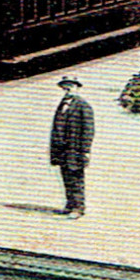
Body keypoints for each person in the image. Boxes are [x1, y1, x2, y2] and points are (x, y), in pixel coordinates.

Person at [48, 76, 95, 218]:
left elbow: (88, 130)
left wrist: (85, 151)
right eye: (65, 86)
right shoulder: (62, 104)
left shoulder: (83, 106)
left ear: (77, 87)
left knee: (76, 177)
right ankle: (70, 205)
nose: (68, 88)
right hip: (62, 150)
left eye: (71, 86)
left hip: (75, 149)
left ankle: (79, 208)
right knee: (66, 177)